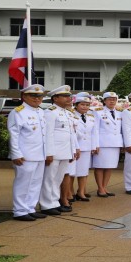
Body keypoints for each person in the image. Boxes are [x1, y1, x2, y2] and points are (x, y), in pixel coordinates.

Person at [8, 84, 48, 221]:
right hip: (25, 155)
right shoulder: (18, 112)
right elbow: (14, 135)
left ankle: (30, 208)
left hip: (39, 154)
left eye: (39, 96)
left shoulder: (41, 112)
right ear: (24, 96)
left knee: (36, 183)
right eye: (33, 96)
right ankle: (19, 211)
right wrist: (16, 154)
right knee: (23, 183)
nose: (37, 99)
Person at [41, 85, 79, 215]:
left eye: (69, 96)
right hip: (54, 152)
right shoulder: (50, 112)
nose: (69, 98)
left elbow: (71, 134)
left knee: (58, 179)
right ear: (55, 98)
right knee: (49, 178)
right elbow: (48, 134)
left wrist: (73, 150)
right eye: (65, 96)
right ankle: (46, 204)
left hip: (65, 151)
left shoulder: (67, 113)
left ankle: (54, 202)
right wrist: (49, 153)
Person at [91, 92, 122, 198]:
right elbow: (95, 130)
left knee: (110, 166)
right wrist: (95, 145)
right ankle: (100, 188)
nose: (112, 101)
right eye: (109, 99)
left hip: (115, 144)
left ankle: (105, 187)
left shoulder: (119, 113)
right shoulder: (98, 112)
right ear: (104, 101)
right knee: (100, 166)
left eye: (114, 99)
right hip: (102, 143)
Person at [72, 94, 99, 201]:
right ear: (76, 105)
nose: (85, 107)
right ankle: (70, 192)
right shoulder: (71, 115)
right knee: (71, 172)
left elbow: (94, 132)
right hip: (75, 147)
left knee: (84, 171)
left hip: (87, 147)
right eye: (82, 104)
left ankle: (81, 191)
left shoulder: (91, 117)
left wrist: (94, 146)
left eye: (87, 105)